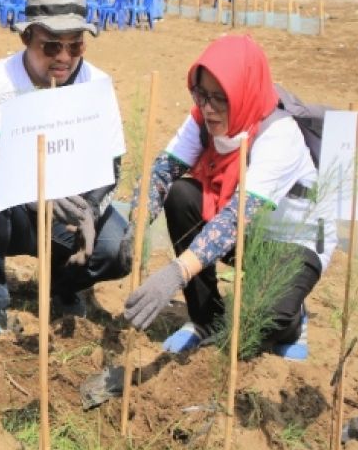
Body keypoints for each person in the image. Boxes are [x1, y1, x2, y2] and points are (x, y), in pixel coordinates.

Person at [122, 35, 335, 359]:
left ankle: (293, 320)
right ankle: (205, 318)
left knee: (263, 319)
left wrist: (175, 273)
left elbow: (235, 218)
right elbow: (163, 172)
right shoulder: (202, 118)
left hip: (294, 242)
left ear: (243, 94)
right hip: (246, 233)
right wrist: (135, 226)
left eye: (220, 98)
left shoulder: (279, 135)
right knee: (182, 195)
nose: (207, 108)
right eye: (201, 94)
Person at [0, 0, 130, 334]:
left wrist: (91, 211)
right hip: (13, 212)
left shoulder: (96, 85)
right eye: (51, 46)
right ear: (27, 38)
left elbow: (113, 166)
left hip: (69, 211)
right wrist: (39, 193)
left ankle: (64, 283)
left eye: (75, 46)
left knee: (115, 249)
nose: (64, 58)